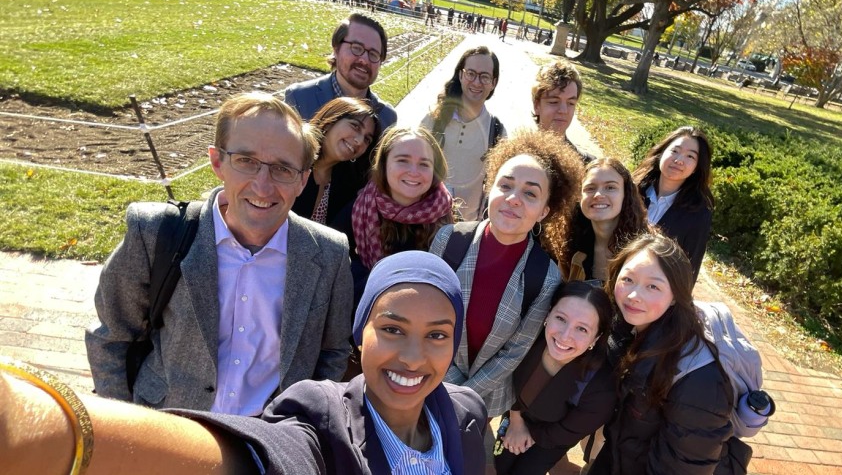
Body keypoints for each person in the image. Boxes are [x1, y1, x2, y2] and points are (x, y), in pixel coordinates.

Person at [2, 251, 488, 475]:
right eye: (393, 329)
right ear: (360, 333)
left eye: (437, 335)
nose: (412, 356)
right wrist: (43, 430)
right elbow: (256, 456)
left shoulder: (465, 414)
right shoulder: (320, 418)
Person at [85, 93, 354, 416]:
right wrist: (125, 427)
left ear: (302, 180)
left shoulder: (329, 254)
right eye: (246, 161)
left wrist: (301, 424)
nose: (263, 186)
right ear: (217, 162)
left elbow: (333, 352)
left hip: (267, 443)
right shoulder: (156, 233)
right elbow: (110, 338)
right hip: (166, 428)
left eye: (283, 168)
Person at [428, 130, 584, 418]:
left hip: (483, 402)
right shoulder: (448, 241)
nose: (514, 199)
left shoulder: (545, 277)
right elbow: (426, 320)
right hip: (426, 380)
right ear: (490, 188)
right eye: (506, 185)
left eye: (530, 193)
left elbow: (513, 353)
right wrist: (445, 384)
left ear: (543, 212)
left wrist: (463, 398)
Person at [589, 232, 734, 475]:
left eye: (653, 286)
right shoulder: (627, 329)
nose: (634, 295)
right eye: (628, 279)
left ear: (676, 296)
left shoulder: (698, 380)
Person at [284, 13, 398, 225]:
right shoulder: (299, 98)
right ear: (336, 48)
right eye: (356, 48)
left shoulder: (387, 117)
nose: (364, 60)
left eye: (374, 54)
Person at [494, 281, 617, 475]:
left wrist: (530, 436)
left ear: (596, 338)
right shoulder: (527, 340)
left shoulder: (601, 386)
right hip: (516, 412)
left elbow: (568, 431)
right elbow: (507, 377)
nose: (565, 336)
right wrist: (516, 422)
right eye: (561, 318)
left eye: (582, 329)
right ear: (548, 314)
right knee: (500, 462)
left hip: (553, 435)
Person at [337, 126, 455, 301]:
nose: (413, 172)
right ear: (384, 165)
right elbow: (334, 272)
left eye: (424, 164)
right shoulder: (359, 210)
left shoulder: (447, 217)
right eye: (402, 160)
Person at [421, 46, 505, 221]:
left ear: (494, 83)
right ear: (461, 75)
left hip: (464, 230)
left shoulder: (496, 132)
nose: (476, 82)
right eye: (471, 73)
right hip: (424, 219)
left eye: (484, 77)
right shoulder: (433, 119)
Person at [632, 126, 714, 280]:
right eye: (675, 151)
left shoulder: (698, 214)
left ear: (697, 167)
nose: (679, 160)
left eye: (690, 156)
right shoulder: (632, 190)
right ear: (662, 153)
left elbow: (690, 267)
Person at [290, 97, 378, 226]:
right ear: (330, 121)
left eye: (367, 139)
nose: (359, 141)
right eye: (355, 126)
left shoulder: (349, 183)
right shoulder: (291, 159)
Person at [564, 158, 647, 281]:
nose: (598, 195)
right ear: (579, 197)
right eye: (590, 188)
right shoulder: (569, 243)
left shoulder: (646, 251)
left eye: (610, 187)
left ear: (626, 194)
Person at [531, 60, 596, 163]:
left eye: (570, 103)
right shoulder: (516, 158)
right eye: (554, 102)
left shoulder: (586, 165)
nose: (563, 111)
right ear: (537, 106)